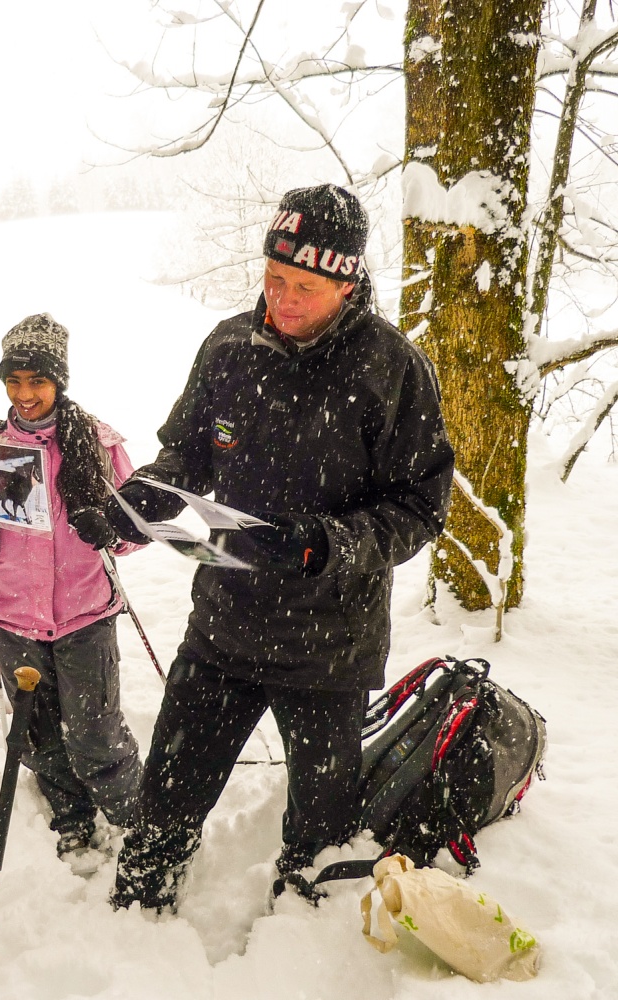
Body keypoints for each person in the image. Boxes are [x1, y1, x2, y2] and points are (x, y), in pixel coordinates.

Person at [104, 183, 456, 910]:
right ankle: (136, 915)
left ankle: (299, 940)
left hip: (329, 645)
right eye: (273, 279)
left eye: (303, 286)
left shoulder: (392, 369)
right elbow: (188, 454)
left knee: (321, 829)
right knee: (165, 801)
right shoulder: (231, 346)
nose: (282, 300)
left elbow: (421, 506)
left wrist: (329, 544)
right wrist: (145, 494)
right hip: (223, 626)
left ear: (348, 281)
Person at [0, 312, 143, 861]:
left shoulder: (99, 445)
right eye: (13, 382)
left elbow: (135, 530)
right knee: (38, 734)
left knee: (94, 732)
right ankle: (71, 817)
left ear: (59, 380)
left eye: (36, 381)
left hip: (85, 615)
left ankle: (135, 820)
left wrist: (111, 525)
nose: (25, 394)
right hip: (15, 618)